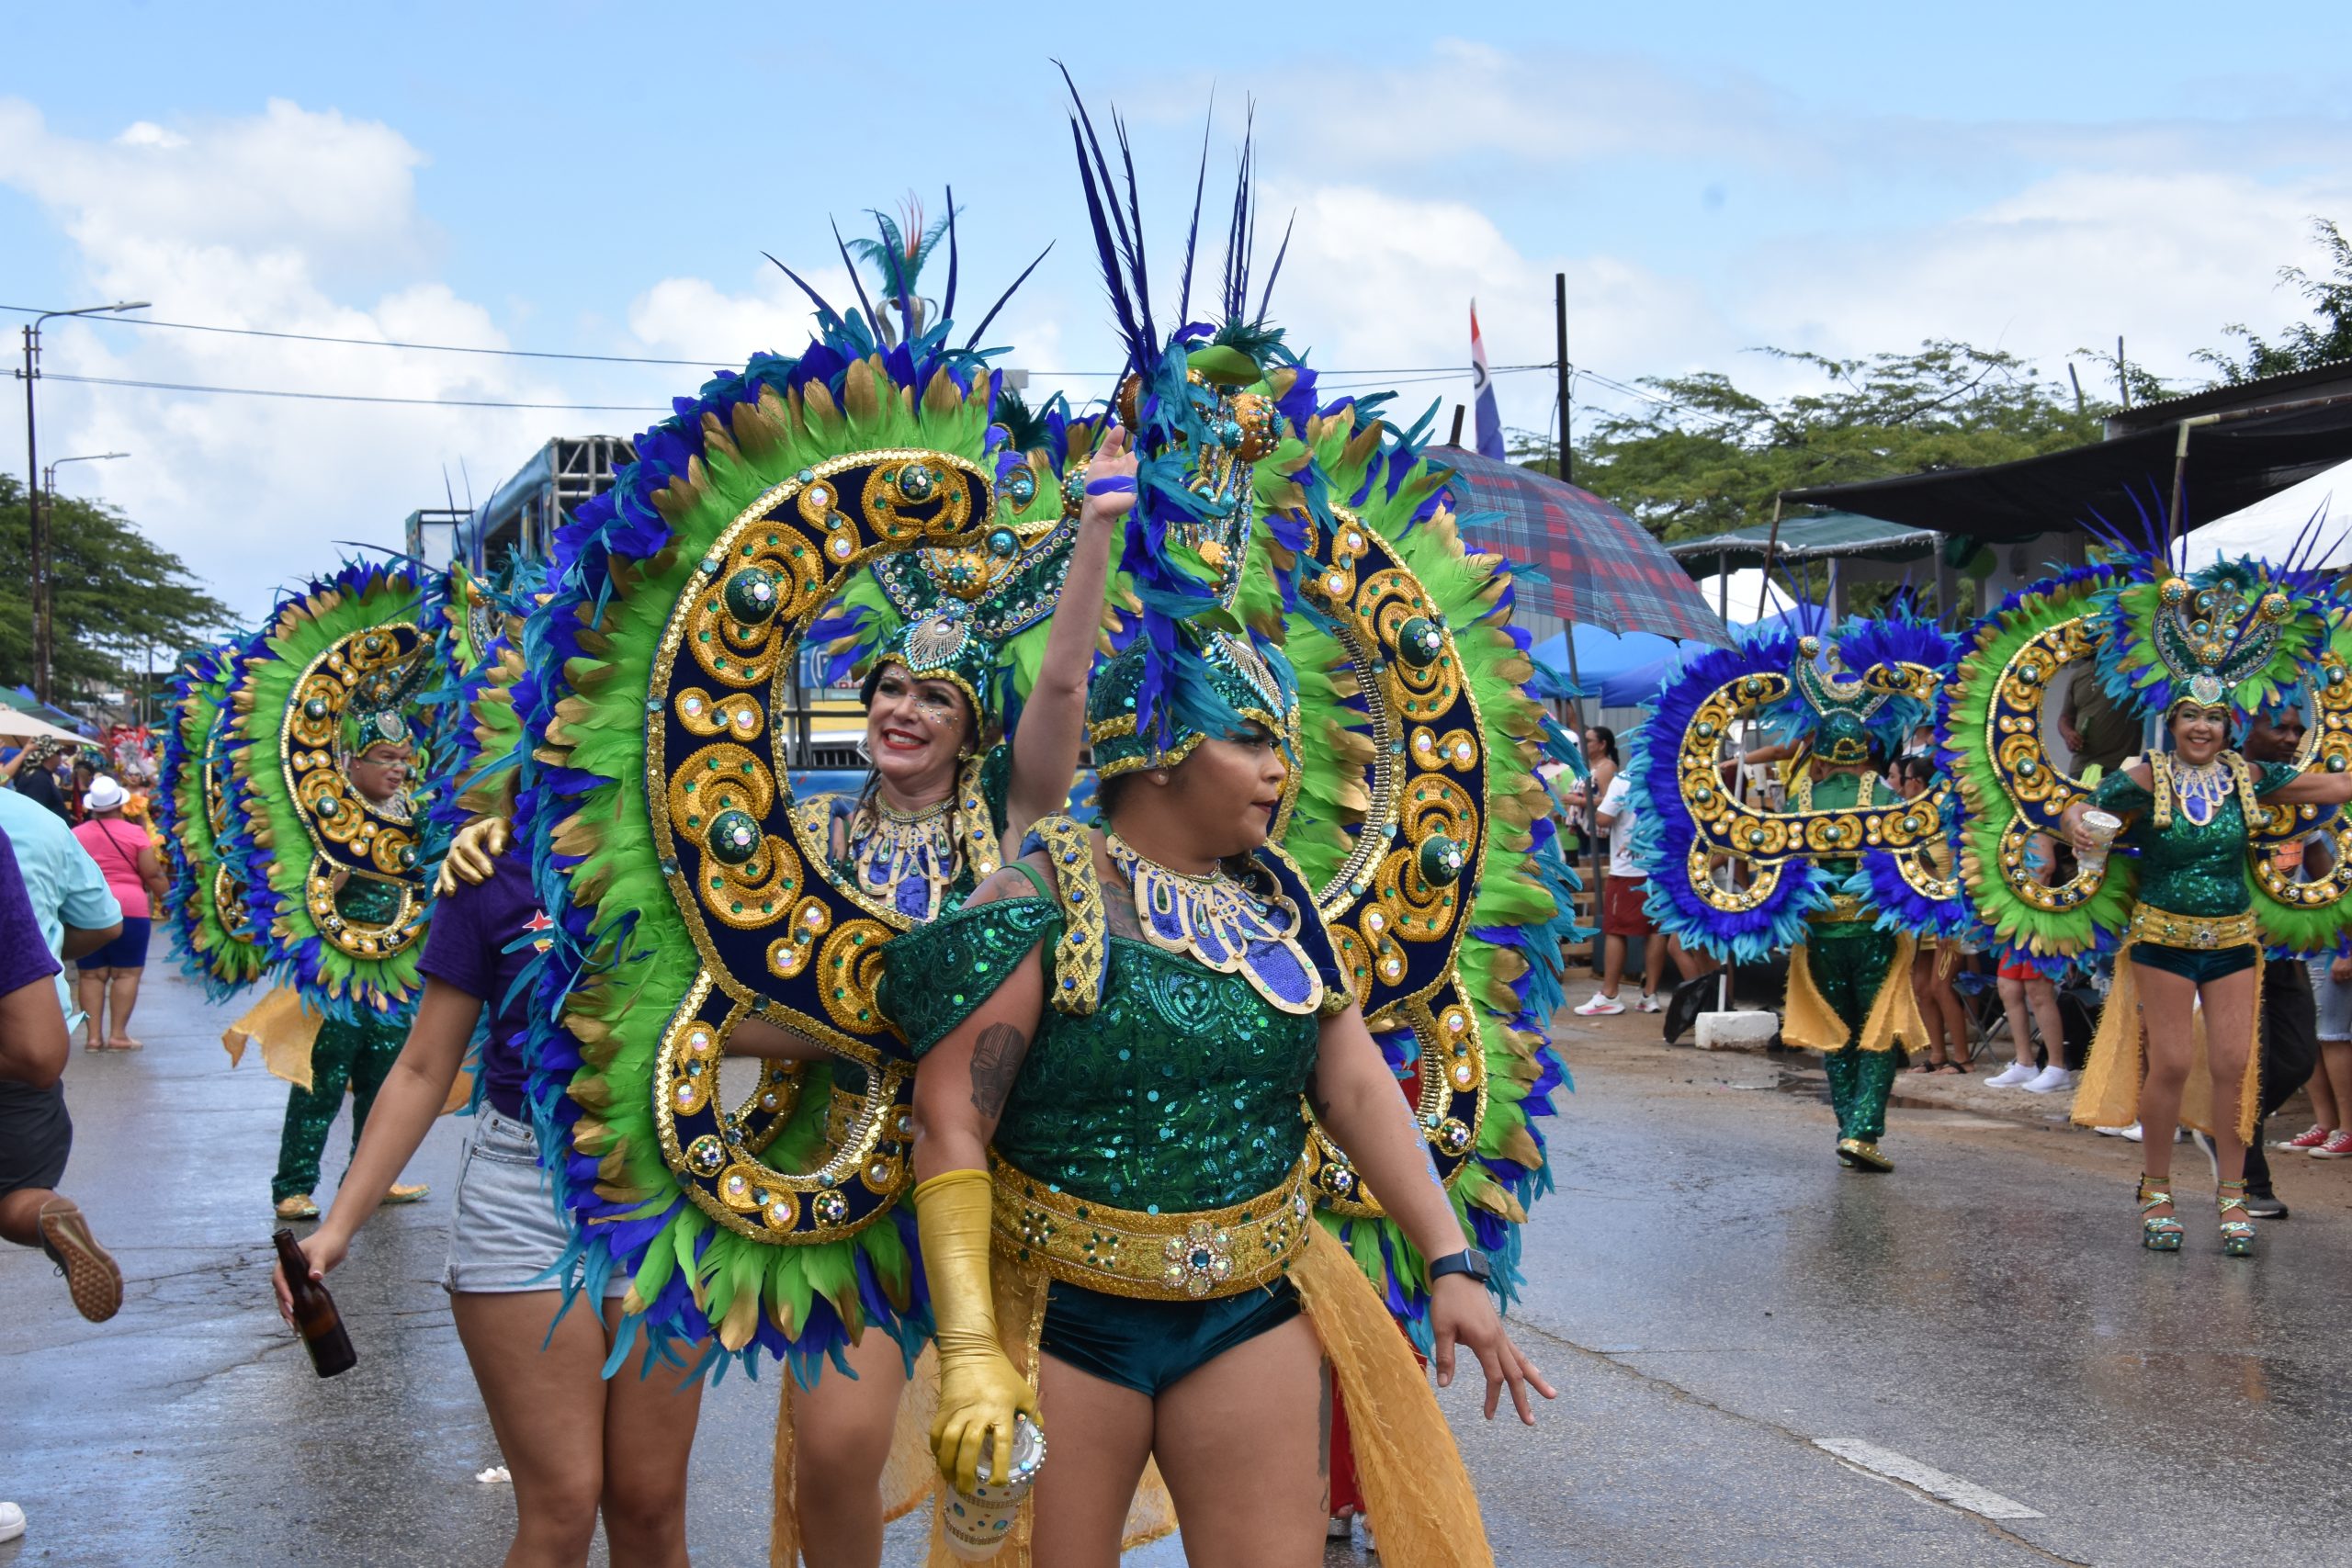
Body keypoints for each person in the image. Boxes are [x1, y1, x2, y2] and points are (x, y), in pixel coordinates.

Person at [887, 626, 1552, 1567]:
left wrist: (1451, 1261)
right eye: (1249, 740)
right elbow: (950, 1122)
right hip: (1065, 1311)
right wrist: (967, 1353)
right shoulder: (1032, 898)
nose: (1280, 769)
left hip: (1249, 1302)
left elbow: (1355, 1085)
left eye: (1279, 743)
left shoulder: (1276, 903)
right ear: (1155, 750)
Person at [277, 829, 707, 1568]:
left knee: (650, 1507)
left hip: (659, 1192)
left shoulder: (696, 852)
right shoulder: (489, 868)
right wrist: (337, 1226)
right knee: (563, 1503)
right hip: (521, 1189)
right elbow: (421, 1066)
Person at [2064, 700, 2352, 1253]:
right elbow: (2081, 809)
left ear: (2229, 728)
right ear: (2172, 724)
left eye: (2215, 718)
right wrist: (2079, 827)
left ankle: (2234, 1196)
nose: (2203, 727)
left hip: (2233, 942)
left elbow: (2335, 788)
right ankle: (2157, 1192)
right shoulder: (2145, 776)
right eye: (2191, 716)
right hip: (2163, 940)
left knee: (2234, 1065)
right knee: (2172, 1062)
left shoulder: (2250, 778)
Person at [266, 729, 433, 1220]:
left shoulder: (415, 818)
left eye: (403, 758)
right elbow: (305, 894)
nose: (397, 768)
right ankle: (293, 1186)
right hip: (338, 977)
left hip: (394, 977)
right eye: (385, 757)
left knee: (386, 1084)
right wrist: (344, 851)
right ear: (351, 762)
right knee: (322, 1083)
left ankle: (371, 1178)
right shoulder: (330, 819)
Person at [0, 808, 124, 1327]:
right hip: (16, 1039)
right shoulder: (36, 822)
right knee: (17, 1191)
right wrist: (47, 949)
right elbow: (105, 923)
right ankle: (45, 1214)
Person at [69, 775, 168, 1051]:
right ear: (121, 804)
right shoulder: (135, 834)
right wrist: (169, 899)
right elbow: (152, 873)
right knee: (126, 974)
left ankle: (92, 1038)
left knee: (91, 975)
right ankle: (117, 1035)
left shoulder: (76, 835)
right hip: (131, 909)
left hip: (87, 910)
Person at [1894, 755, 1973, 1073]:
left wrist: (1950, 921)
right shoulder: (1910, 820)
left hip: (1947, 916)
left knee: (1941, 986)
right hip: (1922, 918)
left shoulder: (1948, 819)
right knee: (1922, 988)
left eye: (1900, 778)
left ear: (1918, 783)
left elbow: (1958, 873)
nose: (1897, 786)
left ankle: (1963, 1059)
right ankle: (1938, 1055)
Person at [1577, 764, 1667, 1015]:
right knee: (1656, 930)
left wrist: (1601, 791)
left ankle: (1610, 993)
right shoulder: (1667, 773)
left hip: (1629, 868)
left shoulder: (1623, 779)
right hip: (1661, 866)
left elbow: (1604, 819)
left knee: (1615, 930)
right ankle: (1650, 994)